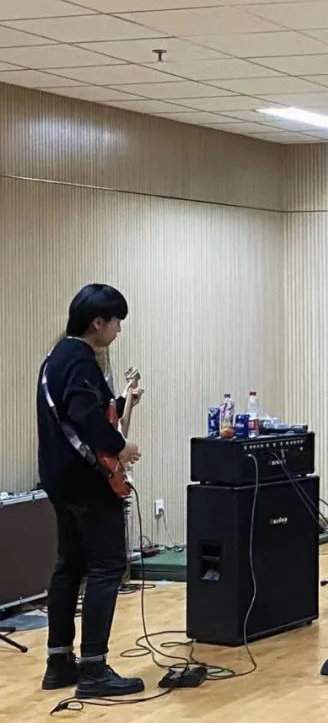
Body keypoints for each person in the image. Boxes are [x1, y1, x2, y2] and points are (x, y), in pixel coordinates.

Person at [37, 284, 144, 698]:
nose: (118, 330)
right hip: (87, 482)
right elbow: (85, 416)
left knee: (69, 566)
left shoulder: (55, 358)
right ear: (97, 322)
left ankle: (59, 662)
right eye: (116, 322)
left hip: (60, 479)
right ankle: (95, 668)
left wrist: (122, 401)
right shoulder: (81, 360)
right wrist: (121, 447)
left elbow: (81, 411)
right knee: (106, 568)